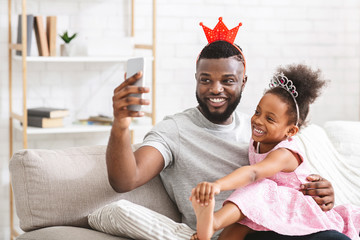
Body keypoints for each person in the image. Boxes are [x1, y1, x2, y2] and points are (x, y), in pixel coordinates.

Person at [106, 17, 349, 240]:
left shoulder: (258, 129)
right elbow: (125, 180)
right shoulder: (175, 130)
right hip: (241, 233)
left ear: (243, 81)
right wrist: (120, 125)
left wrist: (321, 191)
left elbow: (285, 179)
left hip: (280, 222)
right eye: (206, 80)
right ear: (196, 78)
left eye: (228, 81)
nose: (215, 89)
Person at [190, 64, 360, 240]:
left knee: (257, 188)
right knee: (243, 220)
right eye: (257, 112)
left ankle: (214, 222)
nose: (258, 120)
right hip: (275, 205)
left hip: (298, 208)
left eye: (270, 119)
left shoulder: (284, 153)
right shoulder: (258, 141)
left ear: (290, 132)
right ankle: (208, 230)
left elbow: (254, 172)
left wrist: (217, 185)